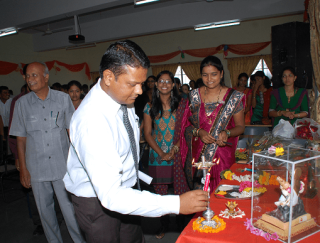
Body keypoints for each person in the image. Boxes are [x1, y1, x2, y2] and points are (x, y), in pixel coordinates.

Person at [63, 40, 208, 243]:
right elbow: (111, 196)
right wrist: (176, 204)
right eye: (132, 84)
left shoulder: (123, 98)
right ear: (108, 77)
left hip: (128, 189)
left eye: (141, 83)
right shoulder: (92, 121)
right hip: (98, 201)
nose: (140, 91)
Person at [10, 62, 84, 243]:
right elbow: (20, 138)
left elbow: (71, 132)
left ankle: (79, 241)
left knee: (70, 210)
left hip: (62, 166)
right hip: (36, 168)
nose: (30, 79)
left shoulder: (62, 99)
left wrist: (78, 162)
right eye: (27, 76)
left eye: (34, 75)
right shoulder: (21, 103)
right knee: (45, 212)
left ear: (46, 77)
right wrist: (24, 169)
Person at [180, 55, 245, 193]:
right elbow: (185, 126)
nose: (209, 79)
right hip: (199, 156)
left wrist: (227, 132)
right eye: (205, 75)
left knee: (224, 193)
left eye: (214, 74)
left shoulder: (234, 97)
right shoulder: (194, 96)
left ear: (221, 74)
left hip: (223, 156)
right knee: (201, 196)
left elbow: (240, 127)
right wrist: (199, 132)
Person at [143, 70, 189, 238]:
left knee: (180, 193)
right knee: (160, 196)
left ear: (173, 85)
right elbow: (147, 134)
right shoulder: (149, 107)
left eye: (168, 81)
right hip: (157, 157)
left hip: (177, 155)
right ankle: (162, 225)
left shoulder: (182, 105)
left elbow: (185, 130)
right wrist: (162, 153)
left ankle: (180, 224)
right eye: (161, 81)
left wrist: (173, 150)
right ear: (156, 84)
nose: (164, 84)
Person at [0, 86, 13, 151]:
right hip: (1, 128)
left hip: (11, 128)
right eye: (5, 93)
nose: (7, 94)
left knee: (11, 146)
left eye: (8, 92)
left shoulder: (12, 101)